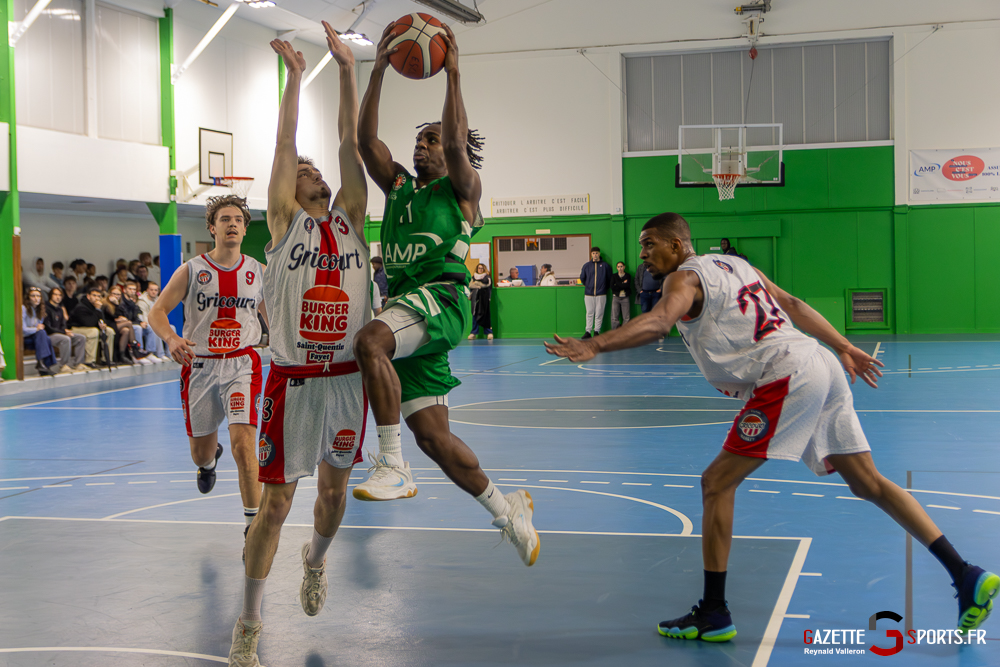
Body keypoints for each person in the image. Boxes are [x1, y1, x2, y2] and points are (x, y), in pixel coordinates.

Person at [544, 212, 999, 643]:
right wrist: (843, 346)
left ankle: (714, 613)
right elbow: (793, 304)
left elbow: (660, 322)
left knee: (716, 483)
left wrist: (596, 345)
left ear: (677, 245)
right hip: (819, 363)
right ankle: (965, 574)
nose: (643, 254)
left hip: (786, 374)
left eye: (649, 244)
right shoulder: (738, 266)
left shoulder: (682, 278)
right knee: (869, 484)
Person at [352, 21, 539, 562]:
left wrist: (453, 73)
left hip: (441, 301)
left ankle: (391, 464)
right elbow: (366, 142)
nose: (422, 145)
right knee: (435, 439)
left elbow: (458, 142)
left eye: (430, 139)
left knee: (369, 342)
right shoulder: (399, 187)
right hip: (409, 313)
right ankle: (508, 511)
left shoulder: (463, 191)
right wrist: (377, 70)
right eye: (419, 139)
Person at [227, 29, 369, 667]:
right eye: (305, 175)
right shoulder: (285, 226)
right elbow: (285, 145)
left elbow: (349, 144)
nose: (315, 177)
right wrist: (294, 78)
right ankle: (249, 621)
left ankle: (315, 562)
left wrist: (347, 69)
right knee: (277, 503)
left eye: (319, 175)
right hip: (291, 381)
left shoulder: (352, 221)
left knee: (333, 497)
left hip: (346, 381)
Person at [149, 193, 264, 552]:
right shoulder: (192, 270)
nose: (232, 224)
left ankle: (253, 529)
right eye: (225, 219)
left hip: (242, 364)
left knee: (244, 444)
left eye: (238, 220)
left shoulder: (258, 271)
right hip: (199, 366)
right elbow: (156, 312)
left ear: (245, 229)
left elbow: (274, 317)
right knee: (200, 453)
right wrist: (171, 338)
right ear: (212, 228)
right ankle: (208, 462)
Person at [44, 287, 88, 373]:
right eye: (55, 294)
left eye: (60, 295)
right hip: (49, 335)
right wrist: (64, 332)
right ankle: (63, 365)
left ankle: (78, 363)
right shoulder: (45, 308)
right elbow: (48, 327)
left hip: (60, 333)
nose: (58, 297)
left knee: (81, 338)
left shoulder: (60, 309)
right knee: (66, 339)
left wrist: (66, 331)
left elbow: (63, 324)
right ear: (50, 296)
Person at [103, 286, 148, 365]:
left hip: (116, 324)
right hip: (108, 324)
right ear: (109, 294)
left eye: (118, 294)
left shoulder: (119, 303)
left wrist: (122, 318)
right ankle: (135, 349)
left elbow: (120, 315)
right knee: (129, 323)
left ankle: (122, 355)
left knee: (126, 330)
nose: (116, 296)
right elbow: (112, 315)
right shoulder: (105, 303)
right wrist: (116, 306)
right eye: (114, 294)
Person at [68, 286, 110, 366]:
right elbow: (89, 323)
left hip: (88, 328)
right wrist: (97, 310)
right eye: (94, 295)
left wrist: (103, 324)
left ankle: (106, 359)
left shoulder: (97, 307)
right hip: (76, 328)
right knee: (94, 331)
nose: (96, 298)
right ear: (88, 296)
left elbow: (102, 320)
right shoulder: (81, 307)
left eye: (98, 296)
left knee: (109, 331)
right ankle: (89, 361)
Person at [21, 287, 58, 375]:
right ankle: (43, 364)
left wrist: (38, 329)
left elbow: (39, 328)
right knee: (42, 333)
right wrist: (36, 329)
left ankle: (42, 364)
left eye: (38, 296)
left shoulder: (40, 310)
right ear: (28, 298)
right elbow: (23, 330)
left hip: (36, 338)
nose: (36, 298)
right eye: (33, 296)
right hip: (25, 338)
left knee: (46, 337)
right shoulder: (23, 308)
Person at [580, 246, 611, 339]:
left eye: (596, 253)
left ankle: (597, 331)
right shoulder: (586, 266)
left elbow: (609, 279)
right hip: (589, 294)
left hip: (601, 293)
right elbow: (582, 278)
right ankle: (588, 331)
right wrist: (588, 286)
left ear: (599, 254)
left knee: (599, 313)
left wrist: (604, 288)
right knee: (589, 312)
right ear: (591, 254)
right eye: (593, 253)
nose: (595, 255)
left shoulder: (605, 266)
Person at [138, 283, 170, 360]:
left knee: (171, 327)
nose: (153, 292)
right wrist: (155, 324)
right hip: (146, 324)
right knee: (155, 328)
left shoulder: (159, 301)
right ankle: (159, 354)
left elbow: (162, 315)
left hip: (156, 323)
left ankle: (170, 353)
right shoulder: (142, 301)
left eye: (155, 290)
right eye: (151, 290)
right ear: (147, 290)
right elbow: (143, 316)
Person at [468, 263, 493, 340]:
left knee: (485, 315)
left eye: (482, 268)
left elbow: (487, 285)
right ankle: (473, 333)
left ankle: (489, 332)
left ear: (484, 269)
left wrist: (477, 284)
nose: (480, 269)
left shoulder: (487, 277)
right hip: (475, 298)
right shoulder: (473, 277)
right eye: (479, 268)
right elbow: (470, 286)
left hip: (484, 298)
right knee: (475, 314)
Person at [610, 261, 632, 329]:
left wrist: (617, 284)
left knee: (626, 317)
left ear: (624, 267)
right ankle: (615, 331)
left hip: (625, 298)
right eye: (618, 267)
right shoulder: (614, 276)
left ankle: (624, 331)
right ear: (617, 268)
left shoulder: (627, 276)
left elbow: (627, 286)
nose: (620, 268)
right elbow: (612, 286)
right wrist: (622, 283)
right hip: (616, 298)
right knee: (614, 316)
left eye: (621, 266)